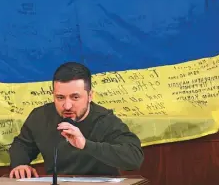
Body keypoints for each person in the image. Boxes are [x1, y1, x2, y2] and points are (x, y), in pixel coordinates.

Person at [8, 62, 144, 179]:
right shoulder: (41, 116)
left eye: (75, 97)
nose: (67, 106)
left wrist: (85, 144)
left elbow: (134, 157)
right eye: (60, 97)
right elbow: (22, 145)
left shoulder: (105, 120)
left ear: (90, 96)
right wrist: (20, 164)